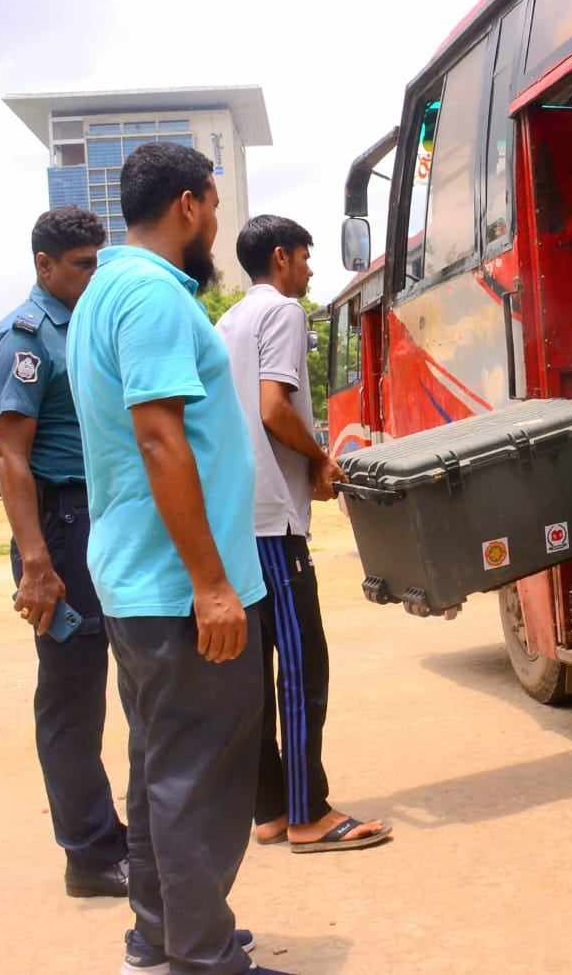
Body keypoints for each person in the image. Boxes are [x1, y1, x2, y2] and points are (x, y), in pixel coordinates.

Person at [67, 142, 283, 975]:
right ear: (190, 203)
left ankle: (162, 936)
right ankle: (202, 957)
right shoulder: (153, 296)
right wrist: (213, 585)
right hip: (179, 587)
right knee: (202, 778)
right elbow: (160, 438)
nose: (217, 223)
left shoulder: (102, 291)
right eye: (215, 206)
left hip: (138, 581)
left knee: (162, 765)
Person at [216, 216, 392, 855]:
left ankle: (268, 807)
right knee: (302, 666)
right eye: (307, 259)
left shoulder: (228, 321)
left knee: (258, 675)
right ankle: (306, 814)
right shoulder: (283, 314)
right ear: (281, 257)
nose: (312, 272)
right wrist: (320, 460)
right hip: (273, 522)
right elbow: (272, 409)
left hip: (239, 515)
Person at [0, 207, 128, 900]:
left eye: (98, 262)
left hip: (94, 518)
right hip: (59, 529)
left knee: (111, 686)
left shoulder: (81, 328)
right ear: (44, 265)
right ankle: (91, 854)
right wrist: (36, 563)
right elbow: (12, 458)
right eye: (81, 266)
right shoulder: (25, 340)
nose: (92, 276)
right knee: (72, 697)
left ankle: (108, 837)